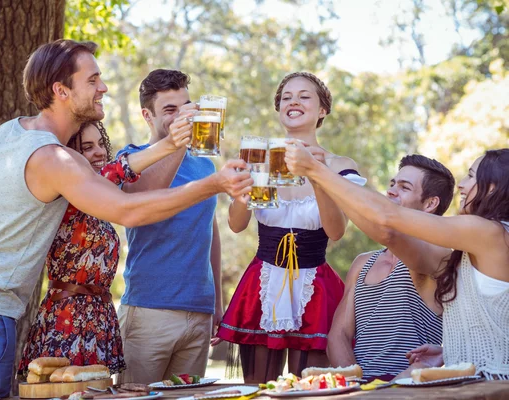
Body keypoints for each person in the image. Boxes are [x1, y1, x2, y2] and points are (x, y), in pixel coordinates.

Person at [0, 40, 252, 399]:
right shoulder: (54, 159)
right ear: (62, 91)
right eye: (93, 80)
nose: (103, 87)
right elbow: (126, 209)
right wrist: (212, 184)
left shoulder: (9, 132)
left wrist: (169, 146)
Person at [285, 146, 509, 380]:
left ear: (494, 187)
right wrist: (449, 353)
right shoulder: (478, 242)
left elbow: (387, 222)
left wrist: (317, 171)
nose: (462, 184)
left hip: (492, 385)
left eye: (471, 176)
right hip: (474, 382)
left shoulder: (488, 232)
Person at [215, 72, 366, 383]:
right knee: (258, 389)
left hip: (316, 285)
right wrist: (242, 189)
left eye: (304, 96)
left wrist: (317, 174)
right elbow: (236, 224)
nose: (294, 101)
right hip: (263, 281)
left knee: (312, 386)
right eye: (286, 97)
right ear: (279, 107)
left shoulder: (339, 165)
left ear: (322, 110)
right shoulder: (260, 160)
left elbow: (336, 231)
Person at [17, 119, 191, 378]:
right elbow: (117, 171)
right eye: (87, 147)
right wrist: (172, 143)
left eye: (101, 144)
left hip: (100, 319)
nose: (98, 151)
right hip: (67, 317)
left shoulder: (101, 199)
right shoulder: (64, 192)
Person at [115, 69, 222, 384]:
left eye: (186, 106)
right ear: (147, 115)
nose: (182, 117)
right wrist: (177, 142)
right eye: (170, 110)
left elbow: (210, 232)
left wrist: (216, 300)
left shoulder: (205, 164)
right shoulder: (131, 158)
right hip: (149, 311)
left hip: (199, 312)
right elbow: (142, 199)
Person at [327, 154, 455, 381]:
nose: (392, 191)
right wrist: (358, 387)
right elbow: (339, 335)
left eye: (404, 187)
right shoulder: (363, 263)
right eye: (393, 184)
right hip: (360, 388)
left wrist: (321, 174)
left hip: (408, 387)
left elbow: (390, 233)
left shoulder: (439, 256)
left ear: (430, 203)